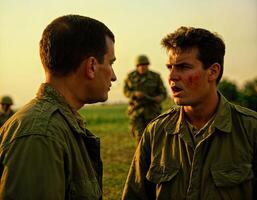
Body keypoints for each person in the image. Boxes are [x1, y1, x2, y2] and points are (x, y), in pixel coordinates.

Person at [122, 27, 257, 199]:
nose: (172, 76)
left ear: (213, 72)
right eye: (170, 67)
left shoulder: (250, 129)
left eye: (183, 67)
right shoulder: (156, 131)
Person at [0, 14, 116, 199]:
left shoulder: (59, 125)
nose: (114, 76)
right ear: (92, 66)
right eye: (110, 63)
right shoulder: (40, 135)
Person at [123, 55, 167, 146]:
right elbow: (125, 91)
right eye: (141, 65)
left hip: (152, 111)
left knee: (154, 136)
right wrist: (134, 94)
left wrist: (160, 97)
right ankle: (141, 158)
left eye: (145, 65)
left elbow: (163, 93)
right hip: (136, 111)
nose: (143, 67)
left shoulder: (156, 77)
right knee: (139, 136)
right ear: (137, 66)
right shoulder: (130, 77)